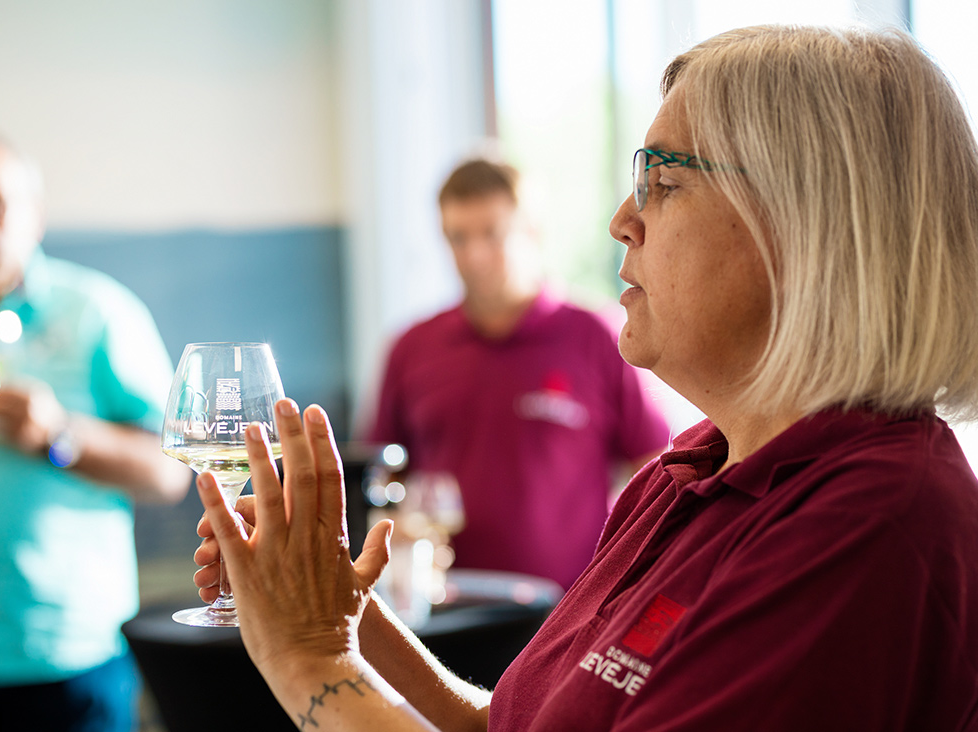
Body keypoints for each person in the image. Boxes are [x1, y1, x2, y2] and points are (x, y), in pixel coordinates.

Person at [191, 25, 978, 731]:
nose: (621, 221)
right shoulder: (694, 469)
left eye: (666, 183)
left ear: (813, 230)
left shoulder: (871, 521)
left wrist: (307, 658)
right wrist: (342, 611)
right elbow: (506, 724)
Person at [0, 136, 192, 731]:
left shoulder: (96, 313)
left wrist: (61, 436)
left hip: (65, 659)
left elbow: (170, 472)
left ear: (33, 215)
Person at [365, 157, 670, 590]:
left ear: (531, 231)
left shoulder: (599, 337)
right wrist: (397, 530)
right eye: (457, 237)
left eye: (491, 234)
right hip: (446, 611)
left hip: (569, 611)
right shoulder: (412, 348)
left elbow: (653, 464)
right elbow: (380, 477)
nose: (473, 254)